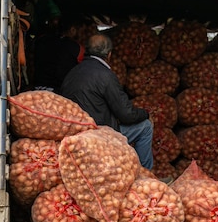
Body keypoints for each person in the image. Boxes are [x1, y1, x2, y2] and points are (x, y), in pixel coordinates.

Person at [61, 33, 154, 170]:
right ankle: (145, 173)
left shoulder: (72, 72)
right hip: (99, 132)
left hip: (75, 132)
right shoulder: (105, 75)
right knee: (145, 127)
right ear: (109, 54)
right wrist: (145, 114)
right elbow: (126, 114)